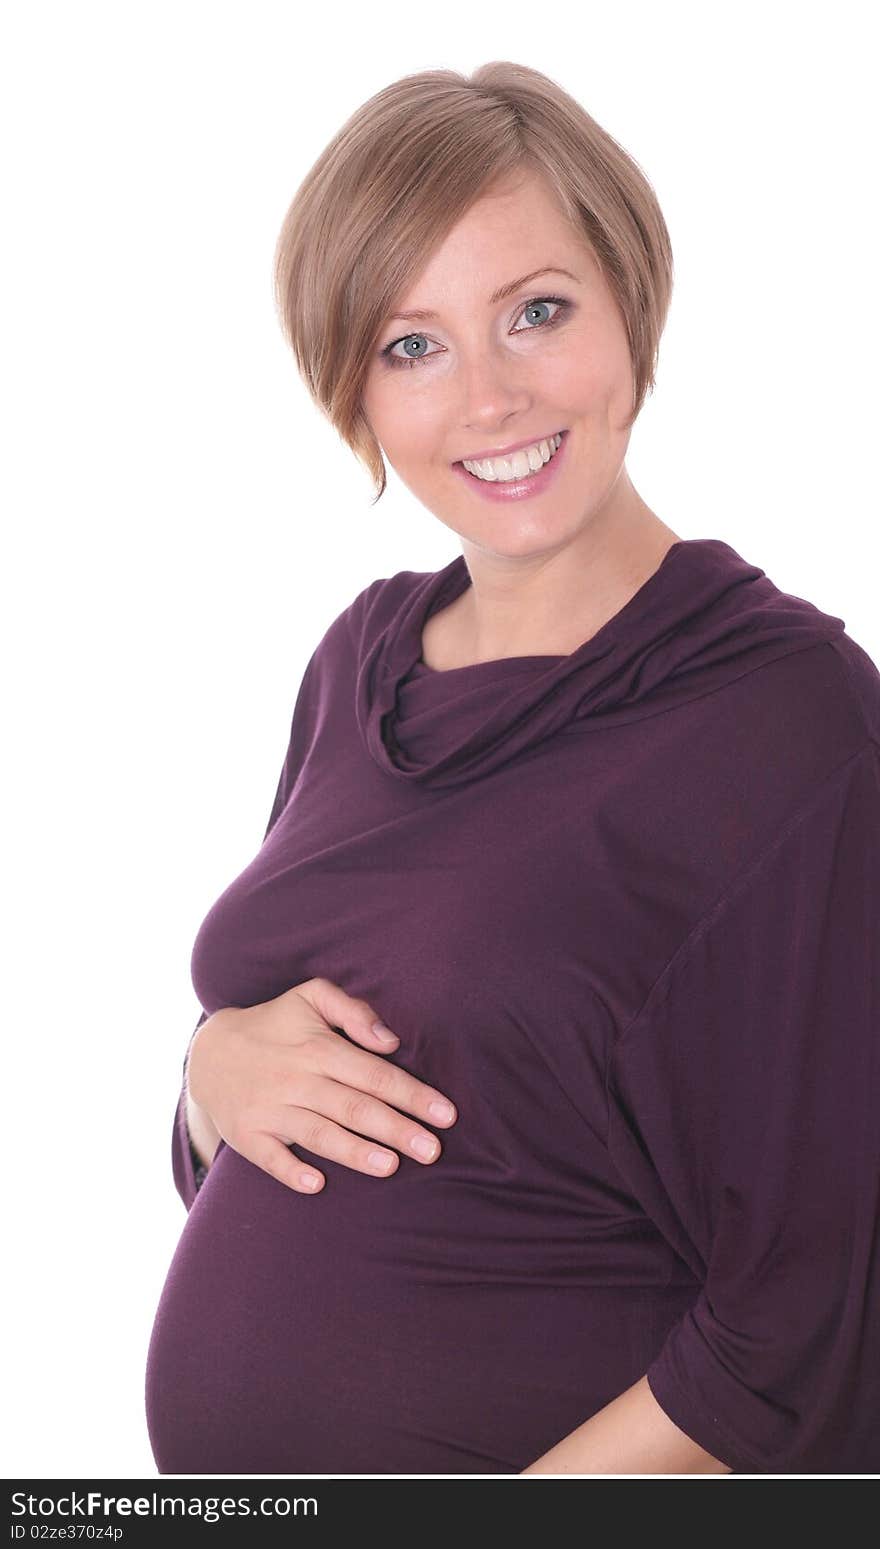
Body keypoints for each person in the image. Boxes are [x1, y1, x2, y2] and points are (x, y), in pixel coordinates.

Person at [144, 61, 880, 1476]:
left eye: (536, 313)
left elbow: (813, 1310)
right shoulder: (360, 661)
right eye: (411, 346)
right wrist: (205, 1075)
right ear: (350, 387)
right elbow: (350, 1096)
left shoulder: (797, 727)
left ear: (632, 302)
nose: (489, 397)